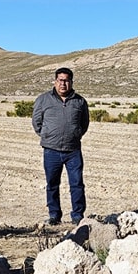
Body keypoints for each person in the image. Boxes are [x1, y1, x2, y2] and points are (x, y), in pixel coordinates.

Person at [32, 67, 90, 225]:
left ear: (71, 82)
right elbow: (36, 122)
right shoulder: (43, 99)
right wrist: (47, 135)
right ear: (55, 81)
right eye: (60, 80)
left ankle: (77, 216)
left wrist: (76, 134)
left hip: (73, 151)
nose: (63, 84)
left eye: (66, 80)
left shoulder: (80, 101)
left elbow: (84, 124)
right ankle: (54, 215)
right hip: (51, 150)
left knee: (77, 184)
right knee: (52, 184)